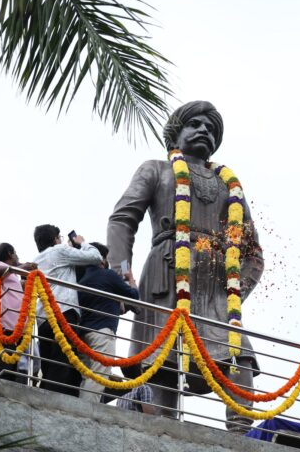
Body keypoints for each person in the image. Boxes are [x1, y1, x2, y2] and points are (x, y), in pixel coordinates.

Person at [107, 101, 264, 432]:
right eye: (195, 123)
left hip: (217, 286)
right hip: (166, 273)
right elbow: (123, 219)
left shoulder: (229, 185)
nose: (204, 130)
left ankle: (242, 434)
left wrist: (234, 290)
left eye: (211, 128)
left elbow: (253, 253)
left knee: (240, 356)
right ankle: (164, 431)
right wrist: (121, 272)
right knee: (163, 358)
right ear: (175, 134)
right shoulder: (156, 169)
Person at [33, 225, 102, 396]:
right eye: (60, 237)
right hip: (63, 311)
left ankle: (45, 396)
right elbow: (95, 257)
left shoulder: (37, 259)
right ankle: (54, 399)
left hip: (42, 317)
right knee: (62, 360)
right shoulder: (59, 250)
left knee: (48, 362)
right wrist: (82, 243)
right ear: (55, 239)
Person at [77, 242, 139, 403]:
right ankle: (87, 411)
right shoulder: (108, 275)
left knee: (87, 376)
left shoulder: (81, 280)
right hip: (102, 332)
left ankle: (81, 407)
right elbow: (134, 297)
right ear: (102, 260)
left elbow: (112, 304)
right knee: (99, 375)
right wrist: (129, 278)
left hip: (82, 334)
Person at [0, 243, 37, 384]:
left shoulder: (10, 273)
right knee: (7, 371)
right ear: (10, 253)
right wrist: (20, 268)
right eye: (15, 253)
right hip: (6, 328)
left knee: (20, 370)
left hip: (17, 328)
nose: (17, 256)